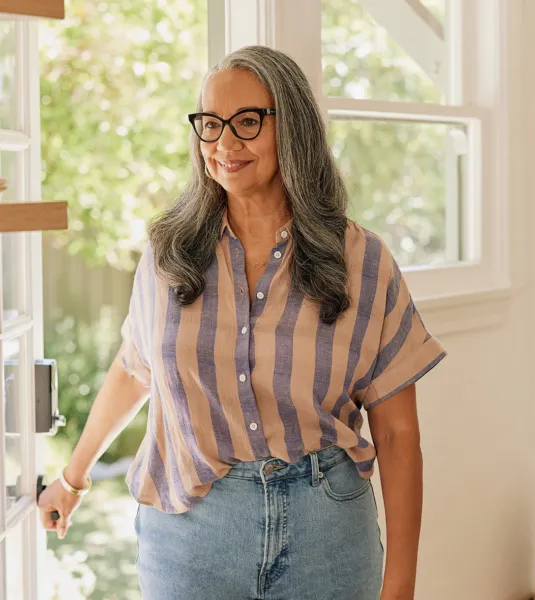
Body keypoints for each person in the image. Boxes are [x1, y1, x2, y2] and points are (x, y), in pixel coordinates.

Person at [38, 45, 447, 600]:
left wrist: (401, 585)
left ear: (292, 127)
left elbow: (399, 434)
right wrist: (73, 476)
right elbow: (135, 369)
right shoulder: (166, 255)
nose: (225, 143)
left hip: (327, 532)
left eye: (248, 122)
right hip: (191, 536)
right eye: (210, 124)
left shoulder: (362, 262)